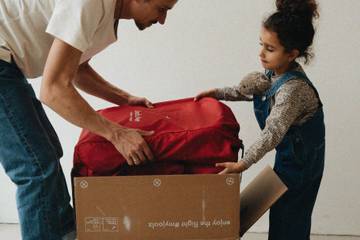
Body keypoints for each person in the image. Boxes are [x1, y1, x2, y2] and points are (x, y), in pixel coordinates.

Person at [0, 0, 178, 239]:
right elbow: (53, 90)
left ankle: (65, 234)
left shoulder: (105, 12)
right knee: (36, 168)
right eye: (162, 8)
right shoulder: (89, 3)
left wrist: (124, 98)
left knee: (48, 153)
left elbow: (77, 70)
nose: (163, 19)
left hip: (8, 64)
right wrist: (117, 134)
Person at [195, 0, 324, 239]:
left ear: (292, 54)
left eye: (270, 48)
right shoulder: (273, 73)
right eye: (261, 44)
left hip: (303, 163)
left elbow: (272, 132)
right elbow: (248, 90)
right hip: (289, 156)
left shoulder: (292, 90)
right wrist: (218, 93)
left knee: (291, 215)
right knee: (281, 210)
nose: (261, 53)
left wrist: (244, 164)